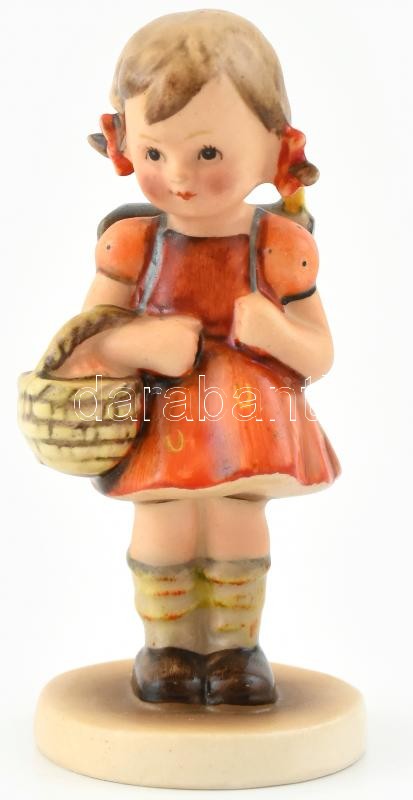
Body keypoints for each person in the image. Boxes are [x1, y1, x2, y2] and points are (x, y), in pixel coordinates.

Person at [54, 9, 341, 705]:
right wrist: (133, 342)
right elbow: (84, 339)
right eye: (155, 154)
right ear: (125, 144)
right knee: (165, 523)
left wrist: (275, 332)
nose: (179, 177)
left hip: (247, 419)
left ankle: (236, 649)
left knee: (237, 517)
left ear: (275, 147)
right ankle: (168, 649)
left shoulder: (280, 246)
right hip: (162, 417)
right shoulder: (131, 246)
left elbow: (318, 354)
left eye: (208, 152)